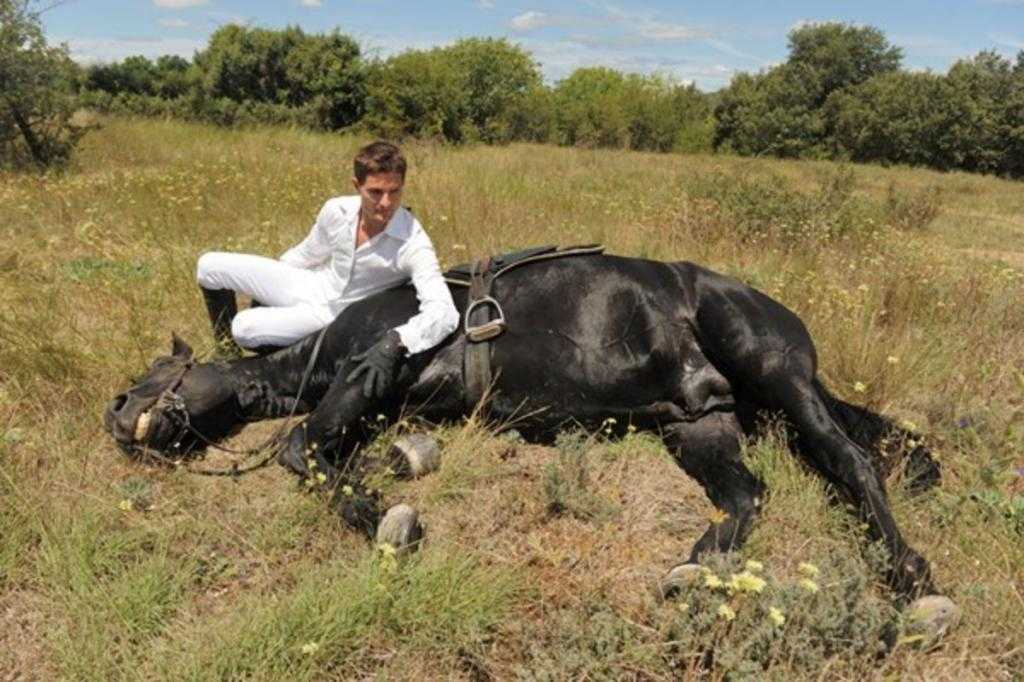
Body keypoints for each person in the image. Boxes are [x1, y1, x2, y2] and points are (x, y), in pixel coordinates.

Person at [195, 141, 459, 398]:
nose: (386, 203)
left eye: (395, 192)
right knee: (209, 265)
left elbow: (443, 312)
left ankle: (286, 365)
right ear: (357, 186)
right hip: (312, 283)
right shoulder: (337, 210)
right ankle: (226, 352)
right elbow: (307, 253)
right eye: (376, 192)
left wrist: (398, 340)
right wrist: (264, 287)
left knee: (243, 327)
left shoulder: (413, 242)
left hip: (335, 316)